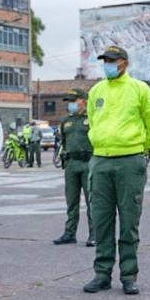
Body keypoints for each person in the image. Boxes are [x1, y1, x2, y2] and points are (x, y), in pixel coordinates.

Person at [83, 46, 150, 295]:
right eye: (105, 61)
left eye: (112, 61)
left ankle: (129, 275)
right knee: (101, 220)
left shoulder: (139, 89)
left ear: (124, 63)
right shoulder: (96, 91)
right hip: (101, 160)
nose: (107, 64)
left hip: (129, 161)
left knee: (129, 221)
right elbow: (93, 122)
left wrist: (137, 148)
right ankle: (102, 274)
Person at [54, 88, 95, 247]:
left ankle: (94, 234)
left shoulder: (92, 118)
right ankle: (69, 233)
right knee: (71, 201)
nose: (71, 104)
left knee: (92, 201)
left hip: (88, 162)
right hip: (71, 164)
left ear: (84, 101)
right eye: (69, 101)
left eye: (74, 100)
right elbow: (63, 142)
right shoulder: (66, 120)